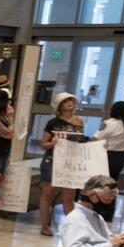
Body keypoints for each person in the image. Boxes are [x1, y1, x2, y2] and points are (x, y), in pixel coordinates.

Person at [38, 91, 86, 237]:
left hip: (70, 161)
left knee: (68, 196)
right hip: (52, 160)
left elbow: (80, 141)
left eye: (71, 100)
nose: (69, 103)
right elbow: (43, 144)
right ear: (60, 106)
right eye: (65, 101)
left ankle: (70, 228)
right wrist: (53, 142)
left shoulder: (79, 121)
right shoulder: (52, 123)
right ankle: (45, 225)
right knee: (48, 193)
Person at [93, 101, 124, 194]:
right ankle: (109, 206)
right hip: (121, 157)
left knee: (99, 184)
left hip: (107, 156)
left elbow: (96, 138)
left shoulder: (109, 123)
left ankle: (97, 206)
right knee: (112, 184)